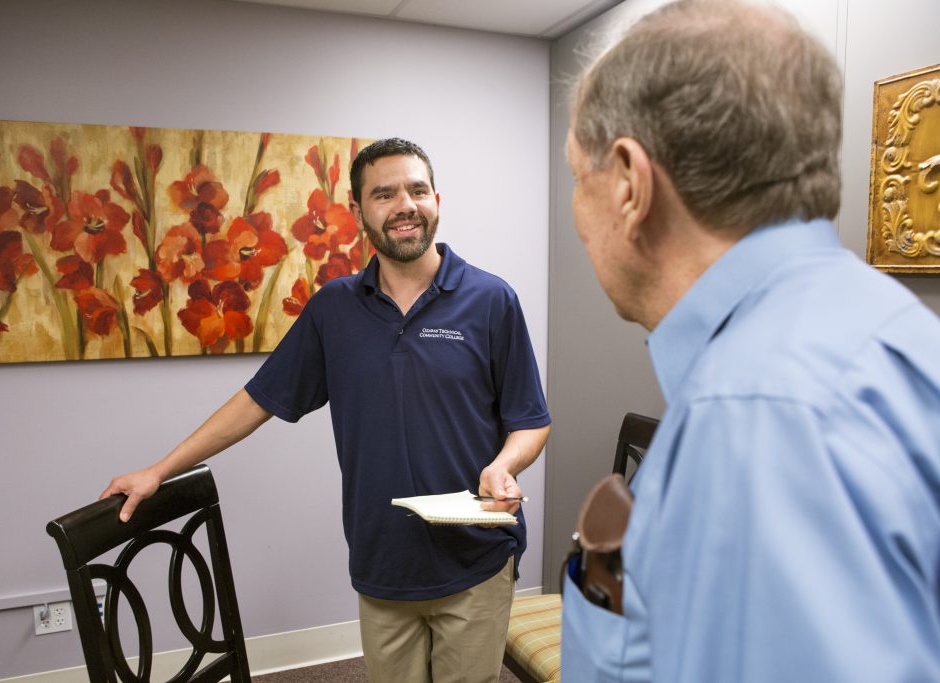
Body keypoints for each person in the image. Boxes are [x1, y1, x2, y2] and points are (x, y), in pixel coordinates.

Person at [563, 1, 940, 681]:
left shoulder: (754, 415)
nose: (575, 211)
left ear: (627, 184)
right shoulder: (889, 326)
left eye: (575, 176)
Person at [102, 137, 551, 683]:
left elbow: (530, 421)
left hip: (476, 557)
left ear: (436, 199)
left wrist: (504, 466)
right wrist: (159, 470)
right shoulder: (334, 309)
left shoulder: (491, 300)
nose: (405, 204)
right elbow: (256, 401)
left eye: (417, 190)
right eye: (384, 194)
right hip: (382, 558)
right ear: (359, 211)